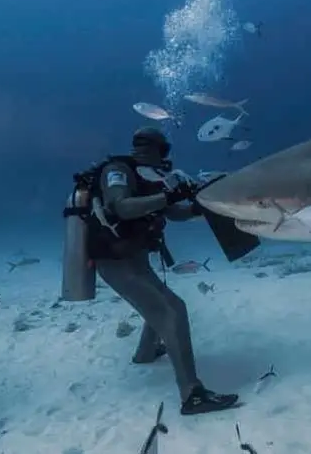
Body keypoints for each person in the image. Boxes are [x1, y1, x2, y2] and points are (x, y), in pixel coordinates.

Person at [85, 126, 239, 415]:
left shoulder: (151, 178)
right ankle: (192, 395)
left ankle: (145, 354)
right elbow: (121, 207)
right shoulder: (117, 171)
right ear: (156, 150)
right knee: (173, 310)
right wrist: (169, 196)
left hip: (136, 260)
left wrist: (198, 204)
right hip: (116, 263)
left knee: (157, 304)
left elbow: (173, 213)